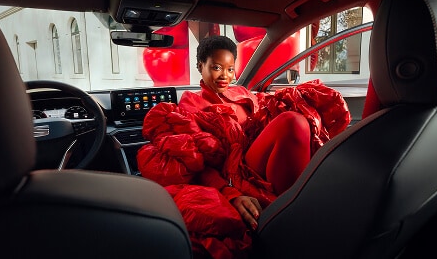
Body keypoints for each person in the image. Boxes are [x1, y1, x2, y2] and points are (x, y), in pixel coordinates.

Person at [137, 35, 351, 258]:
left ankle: (298, 208)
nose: (225, 76)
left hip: (258, 158)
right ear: (201, 66)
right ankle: (295, 214)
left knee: (299, 115)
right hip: (234, 170)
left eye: (230, 69)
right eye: (217, 67)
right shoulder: (191, 103)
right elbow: (197, 161)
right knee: (292, 122)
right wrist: (229, 194)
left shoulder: (243, 93)